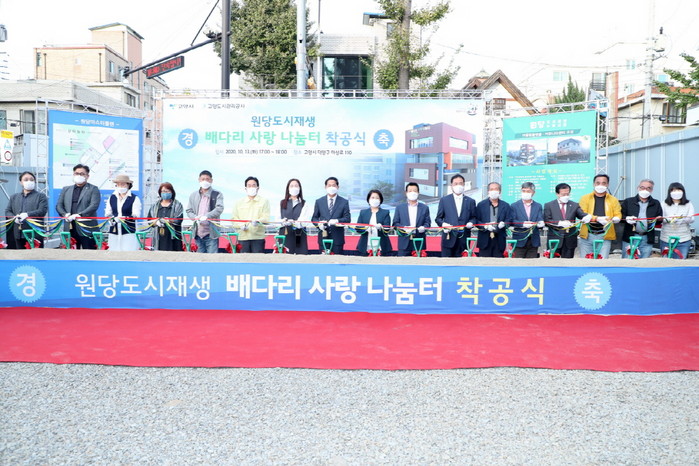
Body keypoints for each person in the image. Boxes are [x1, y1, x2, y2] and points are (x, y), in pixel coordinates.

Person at [56, 163, 101, 249]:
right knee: (70, 254)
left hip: (87, 228)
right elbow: (59, 205)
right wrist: (65, 214)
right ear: (73, 174)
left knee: (89, 253)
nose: (79, 175)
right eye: (76, 173)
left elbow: (94, 205)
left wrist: (80, 215)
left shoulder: (93, 189)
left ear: (87, 176)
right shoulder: (66, 189)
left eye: (82, 174)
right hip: (70, 227)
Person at [578, 174, 622, 259]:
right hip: (587, 235)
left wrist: (616, 218)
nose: (600, 185)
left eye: (603, 183)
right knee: (585, 262)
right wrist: (597, 218)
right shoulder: (585, 198)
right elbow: (582, 214)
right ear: (593, 184)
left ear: (607, 185)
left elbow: (618, 213)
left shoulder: (613, 200)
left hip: (605, 235)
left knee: (603, 262)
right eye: (598, 183)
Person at [543, 183, 591, 258]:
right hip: (554, 239)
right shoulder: (549, 205)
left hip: (569, 240)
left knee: (568, 262)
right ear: (557, 194)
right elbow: (546, 220)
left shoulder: (574, 205)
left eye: (567, 194)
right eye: (563, 194)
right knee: (553, 262)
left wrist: (587, 216)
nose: (566, 196)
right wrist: (559, 223)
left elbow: (581, 214)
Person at [434, 174, 477, 257]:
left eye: (460, 183)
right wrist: (444, 225)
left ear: (464, 185)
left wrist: (471, 223)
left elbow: (474, 217)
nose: (458, 186)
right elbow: (438, 219)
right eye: (456, 184)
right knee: (446, 262)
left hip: (464, 239)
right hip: (448, 238)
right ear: (451, 186)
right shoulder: (444, 200)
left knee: (463, 263)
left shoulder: (470, 201)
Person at [620, 179, 663, 258]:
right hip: (630, 236)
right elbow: (620, 217)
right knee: (627, 260)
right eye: (642, 187)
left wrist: (659, 219)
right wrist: (627, 218)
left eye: (648, 188)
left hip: (647, 238)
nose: (645, 190)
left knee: (644, 261)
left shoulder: (656, 203)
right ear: (638, 188)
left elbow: (659, 220)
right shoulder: (628, 201)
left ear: (652, 190)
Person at [4, 171, 48, 249]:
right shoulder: (14, 197)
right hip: (18, 232)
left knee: (36, 255)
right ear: (21, 182)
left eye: (31, 179)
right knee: (19, 254)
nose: (29, 181)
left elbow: (42, 211)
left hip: (35, 232)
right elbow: (8, 211)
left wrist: (27, 214)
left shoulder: (41, 196)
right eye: (26, 179)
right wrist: (14, 218)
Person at [186, 170, 224, 253]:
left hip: (211, 234)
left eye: (207, 179)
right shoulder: (193, 195)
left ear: (211, 180)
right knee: (199, 259)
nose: (205, 181)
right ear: (199, 180)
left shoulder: (217, 194)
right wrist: (195, 217)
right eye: (203, 179)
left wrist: (207, 216)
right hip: (198, 233)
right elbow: (189, 210)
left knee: (212, 258)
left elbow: (219, 208)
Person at [311, 176, 350, 254]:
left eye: (334, 185)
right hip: (323, 237)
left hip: (337, 239)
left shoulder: (344, 202)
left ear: (338, 187)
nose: (331, 187)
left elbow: (347, 219)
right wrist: (319, 224)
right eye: (329, 185)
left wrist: (337, 221)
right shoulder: (319, 201)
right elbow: (314, 218)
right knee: (323, 260)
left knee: (337, 259)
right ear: (325, 187)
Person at [392, 182, 431, 256]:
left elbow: (428, 223)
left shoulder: (424, 208)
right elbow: (395, 224)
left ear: (418, 193)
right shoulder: (399, 208)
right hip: (404, 242)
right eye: (410, 191)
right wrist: (404, 228)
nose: (412, 193)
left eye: (415, 191)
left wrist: (424, 227)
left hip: (419, 241)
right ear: (406, 193)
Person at [232, 176, 270, 253]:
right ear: (245, 188)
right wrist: (241, 225)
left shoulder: (264, 201)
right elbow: (234, 219)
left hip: (258, 237)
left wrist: (258, 221)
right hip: (243, 237)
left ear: (258, 188)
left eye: (253, 185)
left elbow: (266, 218)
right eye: (249, 186)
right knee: (243, 259)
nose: (251, 187)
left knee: (258, 259)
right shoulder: (239, 202)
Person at [104, 174, 142, 251]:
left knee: (128, 250)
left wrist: (124, 218)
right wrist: (111, 219)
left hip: (129, 230)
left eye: (123, 184)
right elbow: (108, 213)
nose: (120, 186)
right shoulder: (112, 197)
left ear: (128, 185)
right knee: (114, 250)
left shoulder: (134, 198)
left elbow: (136, 215)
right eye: (118, 184)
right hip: (114, 229)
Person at [475, 182, 512, 257]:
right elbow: (476, 220)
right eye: (491, 189)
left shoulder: (506, 205)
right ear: (488, 191)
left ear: (500, 191)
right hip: (485, 239)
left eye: (496, 189)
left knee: (498, 262)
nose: (494, 191)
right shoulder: (481, 205)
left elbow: (509, 219)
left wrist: (504, 224)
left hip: (499, 239)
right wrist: (485, 226)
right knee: (483, 262)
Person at [659, 182, 694, 260]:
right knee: (665, 261)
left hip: (683, 238)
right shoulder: (664, 204)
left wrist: (684, 219)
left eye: (679, 190)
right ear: (669, 192)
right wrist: (669, 219)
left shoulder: (688, 204)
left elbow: (691, 219)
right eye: (674, 190)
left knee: (680, 262)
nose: (676, 193)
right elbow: (661, 219)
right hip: (666, 238)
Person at [509, 182, 545, 258]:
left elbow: (540, 218)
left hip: (533, 240)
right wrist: (523, 224)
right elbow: (511, 221)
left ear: (533, 193)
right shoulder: (514, 205)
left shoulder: (538, 206)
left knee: (532, 263)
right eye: (523, 191)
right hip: (519, 239)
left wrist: (541, 223)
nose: (525, 193)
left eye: (528, 191)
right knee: (518, 262)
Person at [278, 178, 312, 254]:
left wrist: (294, 222)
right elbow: (276, 220)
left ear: (300, 188)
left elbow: (304, 221)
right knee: (284, 256)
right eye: (291, 186)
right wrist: (283, 222)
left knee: (300, 256)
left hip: (299, 235)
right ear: (288, 188)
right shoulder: (282, 203)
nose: (294, 188)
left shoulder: (304, 203)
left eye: (296, 186)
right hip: (285, 235)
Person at [148, 182, 183, 252]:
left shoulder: (177, 205)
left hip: (173, 238)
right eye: (163, 191)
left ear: (172, 192)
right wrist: (156, 222)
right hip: (158, 237)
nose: (165, 193)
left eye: (167, 191)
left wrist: (169, 221)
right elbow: (149, 220)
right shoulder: (154, 206)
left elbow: (179, 219)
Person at [356, 189, 392, 255]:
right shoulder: (363, 212)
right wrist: (365, 228)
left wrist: (381, 227)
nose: (374, 200)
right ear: (368, 199)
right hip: (366, 245)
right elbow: (358, 228)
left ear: (380, 200)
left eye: (377, 198)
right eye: (372, 197)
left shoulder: (385, 213)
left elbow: (387, 229)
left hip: (381, 245)